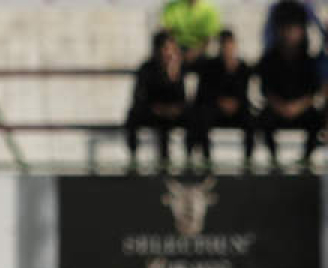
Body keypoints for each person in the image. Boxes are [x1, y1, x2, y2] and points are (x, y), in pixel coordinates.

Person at [256, 12, 323, 168]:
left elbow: (313, 91)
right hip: (277, 109)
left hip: (301, 109)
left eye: (294, 30)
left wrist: (297, 107)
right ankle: (273, 160)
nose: (290, 35)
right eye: (287, 30)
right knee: (263, 118)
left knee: (316, 118)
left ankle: (306, 159)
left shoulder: (308, 60)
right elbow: (265, 89)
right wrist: (281, 107)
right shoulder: (270, 59)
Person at [126, 31, 195, 171]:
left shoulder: (179, 69)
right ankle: (133, 160)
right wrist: (156, 108)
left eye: (171, 49)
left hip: (173, 113)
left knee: (195, 117)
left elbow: (183, 98)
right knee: (132, 117)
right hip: (152, 112)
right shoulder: (146, 68)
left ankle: (190, 160)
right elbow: (139, 97)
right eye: (165, 49)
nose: (169, 54)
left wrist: (172, 76)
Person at [191, 30, 255, 167]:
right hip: (215, 108)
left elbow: (244, 94)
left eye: (230, 45)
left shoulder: (242, 67)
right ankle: (206, 159)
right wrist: (220, 102)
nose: (227, 49)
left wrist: (235, 103)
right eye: (224, 45)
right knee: (201, 117)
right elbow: (204, 93)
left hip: (237, 110)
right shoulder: (209, 66)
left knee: (251, 120)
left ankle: (248, 160)